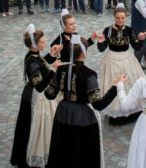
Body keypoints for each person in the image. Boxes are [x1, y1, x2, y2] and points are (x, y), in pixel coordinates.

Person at [44, 35, 124, 167]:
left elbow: (49, 95)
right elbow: (98, 104)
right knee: (82, 155)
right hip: (82, 118)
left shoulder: (61, 70)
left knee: (64, 151)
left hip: (62, 113)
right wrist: (115, 86)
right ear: (84, 53)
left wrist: (52, 71)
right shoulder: (89, 74)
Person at [10, 24, 62, 168]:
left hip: (33, 94)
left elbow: (41, 64)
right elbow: (39, 85)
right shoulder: (32, 62)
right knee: (32, 127)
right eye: (43, 42)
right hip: (34, 98)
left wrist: (51, 54)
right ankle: (32, 153)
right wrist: (53, 70)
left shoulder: (34, 55)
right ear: (35, 44)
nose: (46, 43)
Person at [96, 6, 145, 125]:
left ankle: (131, 110)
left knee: (130, 83)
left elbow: (136, 47)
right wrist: (100, 42)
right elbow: (102, 49)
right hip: (112, 59)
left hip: (127, 59)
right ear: (114, 18)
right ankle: (116, 112)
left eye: (122, 18)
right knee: (113, 84)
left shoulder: (129, 30)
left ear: (125, 18)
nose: (120, 20)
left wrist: (141, 40)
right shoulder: (107, 30)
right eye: (118, 18)